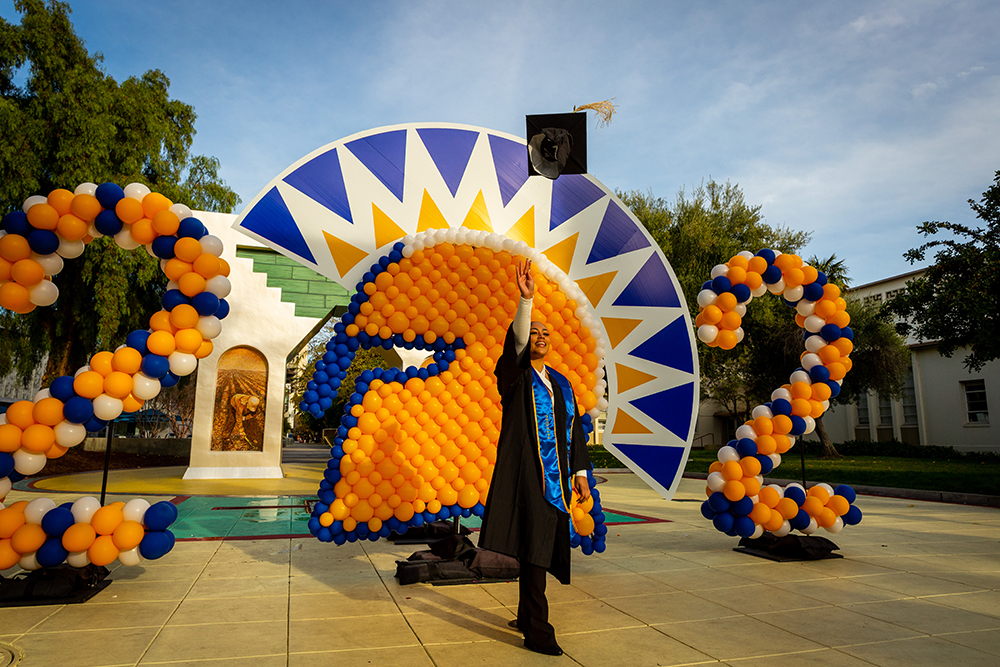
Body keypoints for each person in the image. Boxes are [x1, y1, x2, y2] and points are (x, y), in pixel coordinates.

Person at [479, 259, 591, 656]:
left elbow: (575, 427)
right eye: (535, 332)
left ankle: (527, 616)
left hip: (557, 480)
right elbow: (517, 346)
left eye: (547, 332)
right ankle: (537, 629)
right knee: (535, 549)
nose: (540, 336)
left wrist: (580, 472)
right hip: (528, 475)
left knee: (537, 549)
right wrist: (526, 302)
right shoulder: (517, 376)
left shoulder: (561, 382)